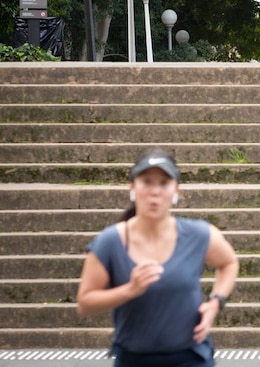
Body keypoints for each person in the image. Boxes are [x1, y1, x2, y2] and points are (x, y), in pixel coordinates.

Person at [76, 148, 239, 367]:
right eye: (146, 182)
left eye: (164, 183)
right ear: (132, 188)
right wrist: (129, 290)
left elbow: (229, 262)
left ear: (176, 192)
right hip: (134, 360)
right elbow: (85, 304)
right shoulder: (111, 241)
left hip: (191, 358)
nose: (155, 191)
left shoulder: (198, 234)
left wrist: (216, 302)